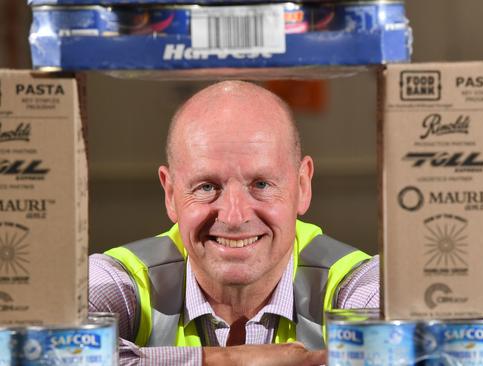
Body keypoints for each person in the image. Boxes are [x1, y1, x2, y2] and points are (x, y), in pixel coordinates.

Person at [88, 81, 379, 365]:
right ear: (170, 193)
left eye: (262, 184)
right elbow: (49, 352)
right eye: (206, 187)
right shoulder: (118, 279)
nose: (234, 216)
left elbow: (401, 352)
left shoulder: (359, 282)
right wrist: (232, 361)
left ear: (303, 186)